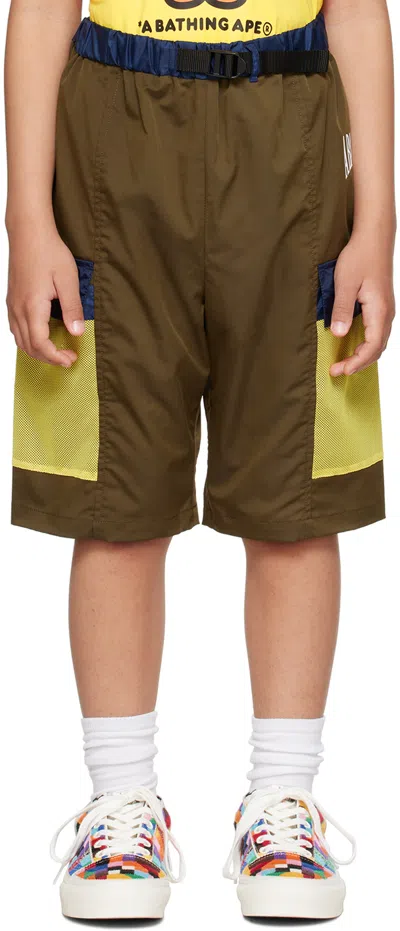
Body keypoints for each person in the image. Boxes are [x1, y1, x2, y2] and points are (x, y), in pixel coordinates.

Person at [5, 0, 395, 921]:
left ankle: (284, 803)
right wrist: (27, 217)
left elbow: (357, 14)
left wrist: (376, 222)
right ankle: (120, 807)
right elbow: (44, 11)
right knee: (117, 492)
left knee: (294, 490)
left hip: (292, 134)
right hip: (114, 138)